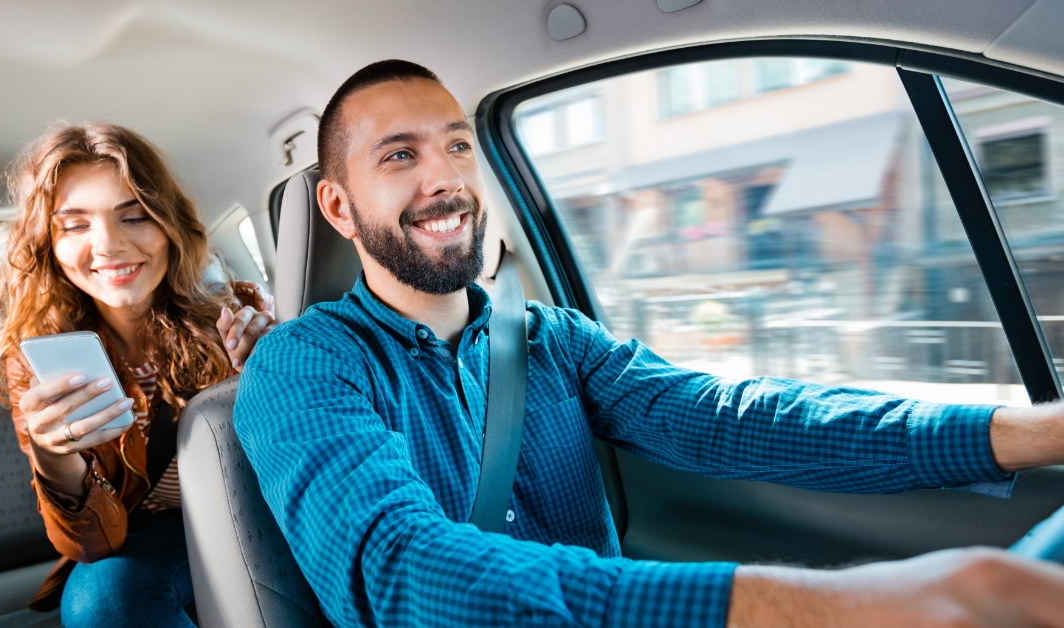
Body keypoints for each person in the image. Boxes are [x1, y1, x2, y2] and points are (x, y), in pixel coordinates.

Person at [233, 59, 1064, 627]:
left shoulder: (550, 339)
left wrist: (1040, 432)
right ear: (340, 210)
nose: (443, 176)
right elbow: (403, 571)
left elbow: (738, 419)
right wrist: (842, 605)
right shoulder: (305, 365)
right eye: (399, 156)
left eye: (456, 144)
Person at [0, 122, 275, 626]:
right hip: (145, 532)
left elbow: (294, 460)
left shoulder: (241, 309)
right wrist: (55, 456)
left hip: (251, 509)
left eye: (135, 216)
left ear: (170, 225)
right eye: (75, 225)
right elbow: (95, 543)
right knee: (104, 599)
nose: (108, 246)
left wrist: (272, 373)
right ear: (47, 242)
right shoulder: (34, 364)